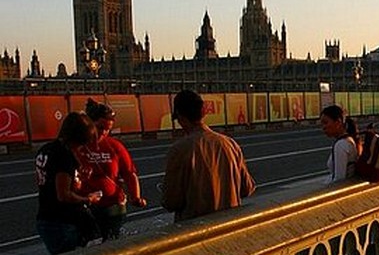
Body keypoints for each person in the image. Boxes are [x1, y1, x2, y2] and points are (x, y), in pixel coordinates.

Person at [161, 90, 255, 221]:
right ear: (203, 114)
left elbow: (171, 202)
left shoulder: (179, 150)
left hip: (196, 230)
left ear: (180, 117)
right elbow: (247, 189)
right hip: (229, 226)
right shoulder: (229, 144)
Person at [35, 111, 102, 255]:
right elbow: (63, 195)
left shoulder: (46, 149)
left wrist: (77, 178)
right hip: (61, 221)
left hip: (46, 216)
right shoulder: (64, 156)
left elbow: (48, 182)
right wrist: (88, 199)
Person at [80, 98, 147, 240]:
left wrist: (136, 197)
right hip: (85, 207)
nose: (103, 132)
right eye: (99, 128)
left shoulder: (114, 146)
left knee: (110, 243)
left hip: (112, 206)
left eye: (107, 129)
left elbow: (129, 173)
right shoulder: (78, 147)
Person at [320, 104, 359, 182]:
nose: (323, 127)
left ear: (338, 122)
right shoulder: (349, 140)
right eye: (322, 124)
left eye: (326, 122)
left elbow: (339, 179)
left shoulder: (341, 145)